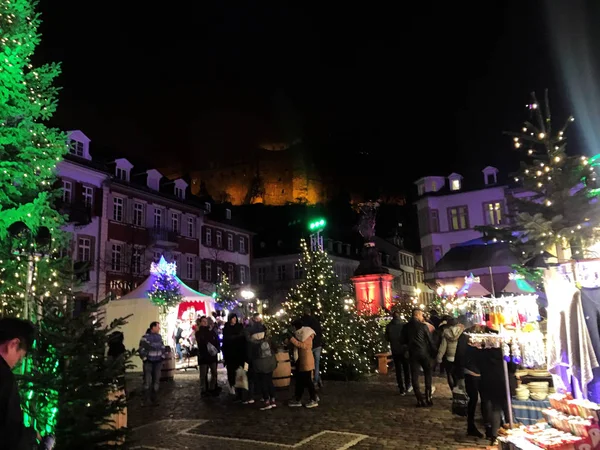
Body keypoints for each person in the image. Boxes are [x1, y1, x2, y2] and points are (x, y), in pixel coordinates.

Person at [0, 317, 40, 450]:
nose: (18, 363)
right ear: (13, 344)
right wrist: (33, 437)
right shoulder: (4, 378)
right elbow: (11, 434)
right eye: (20, 357)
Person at [454, 324, 487, 438]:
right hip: (470, 371)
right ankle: (471, 425)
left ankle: (487, 425)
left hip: (481, 371)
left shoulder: (485, 333)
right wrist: (460, 375)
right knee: (473, 399)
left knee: (483, 398)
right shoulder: (466, 335)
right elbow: (460, 355)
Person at [401, 308, 435, 407]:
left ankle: (419, 399)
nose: (422, 317)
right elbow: (430, 340)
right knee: (428, 373)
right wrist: (433, 352)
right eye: (421, 315)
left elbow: (402, 340)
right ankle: (428, 397)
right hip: (424, 353)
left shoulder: (406, 327)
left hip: (413, 354)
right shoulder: (423, 326)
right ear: (418, 315)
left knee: (414, 376)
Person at [288, 319, 318, 408]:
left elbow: (304, 346)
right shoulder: (300, 333)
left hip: (306, 361)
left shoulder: (306, 334)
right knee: (300, 381)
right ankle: (298, 398)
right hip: (301, 361)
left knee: (308, 381)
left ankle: (313, 398)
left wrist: (292, 339)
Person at [249, 326, 278, 410]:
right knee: (270, 381)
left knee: (263, 383)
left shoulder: (254, 343)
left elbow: (251, 356)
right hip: (270, 364)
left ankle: (266, 401)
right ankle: (273, 400)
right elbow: (275, 350)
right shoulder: (268, 341)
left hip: (260, 365)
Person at [138, 321, 166, 406]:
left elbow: (162, 347)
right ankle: (146, 399)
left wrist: (162, 356)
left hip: (157, 362)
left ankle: (154, 399)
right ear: (153, 327)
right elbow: (141, 349)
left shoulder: (159, 337)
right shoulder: (145, 337)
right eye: (158, 327)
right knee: (147, 381)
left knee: (156, 381)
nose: (159, 328)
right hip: (149, 362)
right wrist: (145, 359)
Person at [385, 311, 411, 395]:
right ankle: (408, 385)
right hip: (404, 349)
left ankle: (401, 388)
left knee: (398, 370)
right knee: (406, 368)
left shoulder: (389, 326)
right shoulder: (404, 325)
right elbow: (408, 337)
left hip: (395, 349)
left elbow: (387, 338)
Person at [436, 317, 464, 391]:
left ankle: (453, 390)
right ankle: (459, 390)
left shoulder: (445, 333)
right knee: (458, 375)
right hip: (459, 357)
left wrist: (439, 357)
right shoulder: (462, 332)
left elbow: (443, 346)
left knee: (449, 374)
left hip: (449, 357)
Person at [195, 316, 220, 397]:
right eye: (203, 321)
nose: (205, 322)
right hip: (203, 356)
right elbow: (200, 342)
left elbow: (216, 341)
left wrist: (216, 349)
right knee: (203, 374)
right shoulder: (199, 332)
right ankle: (204, 390)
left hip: (212, 356)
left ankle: (212, 388)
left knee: (214, 373)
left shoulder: (211, 331)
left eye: (206, 321)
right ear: (200, 322)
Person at [244, 313, 266, 403]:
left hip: (252, 355)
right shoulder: (263, 327)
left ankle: (252, 396)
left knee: (252, 376)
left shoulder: (249, 328)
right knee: (259, 375)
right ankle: (261, 395)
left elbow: (248, 339)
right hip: (259, 354)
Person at [222, 313, 246, 395]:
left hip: (239, 353)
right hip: (230, 354)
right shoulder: (226, 328)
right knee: (231, 371)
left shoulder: (240, 327)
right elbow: (226, 341)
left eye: (235, 318)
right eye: (233, 318)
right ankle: (232, 385)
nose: (234, 319)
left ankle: (240, 387)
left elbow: (243, 339)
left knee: (239, 371)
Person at [301, 307, 323, 388]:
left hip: (309, 346)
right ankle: (316, 381)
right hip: (317, 345)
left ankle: (312, 381)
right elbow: (320, 332)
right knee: (316, 364)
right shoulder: (315, 321)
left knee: (308, 365)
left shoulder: (302, 321)